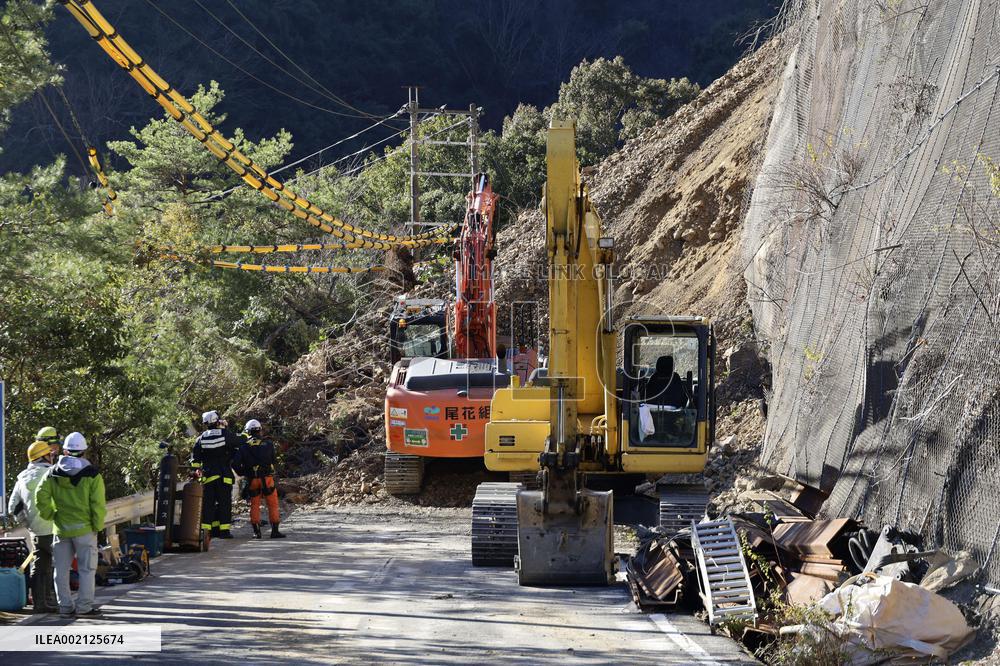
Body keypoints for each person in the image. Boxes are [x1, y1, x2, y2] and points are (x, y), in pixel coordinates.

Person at [34, 432, 106, 618]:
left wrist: (50, 514)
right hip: (85, 529)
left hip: (61, 529)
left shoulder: (53, 472)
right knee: (86, 569)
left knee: (61, 569)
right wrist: (97, 525)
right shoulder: (93, 475)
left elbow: (40, 496)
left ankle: (65, 606)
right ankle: (84, 607)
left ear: (65, 450)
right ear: (84, 451)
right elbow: (97, 504)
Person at [7, 439, 59, 613]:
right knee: (59, 564)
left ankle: (40, 604)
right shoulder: (53, 473)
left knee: (39, 565)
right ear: (44, 456)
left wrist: (27, 524)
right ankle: (59, 602)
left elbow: (13, 507)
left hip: (36, 531)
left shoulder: (22, 477)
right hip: (55, 528)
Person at [191, 410, 241, 539]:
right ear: (217, 421)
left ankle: (208, 532)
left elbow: (195, 460)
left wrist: (197, 471)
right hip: (224, 477)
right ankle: (224, 531)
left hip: (208, 478)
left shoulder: (200, 438)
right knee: (224, 504)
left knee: (208, 505)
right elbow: (238, 441)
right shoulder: (225, 434)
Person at [233, 419, 285, 539]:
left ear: (248, 431)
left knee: (254, 504)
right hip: (267, 478)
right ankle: (275, 531)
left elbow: (235, 464)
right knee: (272, 503)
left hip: (252, 479)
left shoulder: (243, 446)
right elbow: (273, 460)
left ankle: (257, 532)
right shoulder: (268, 444)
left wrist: (244, 472)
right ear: (259, 430)